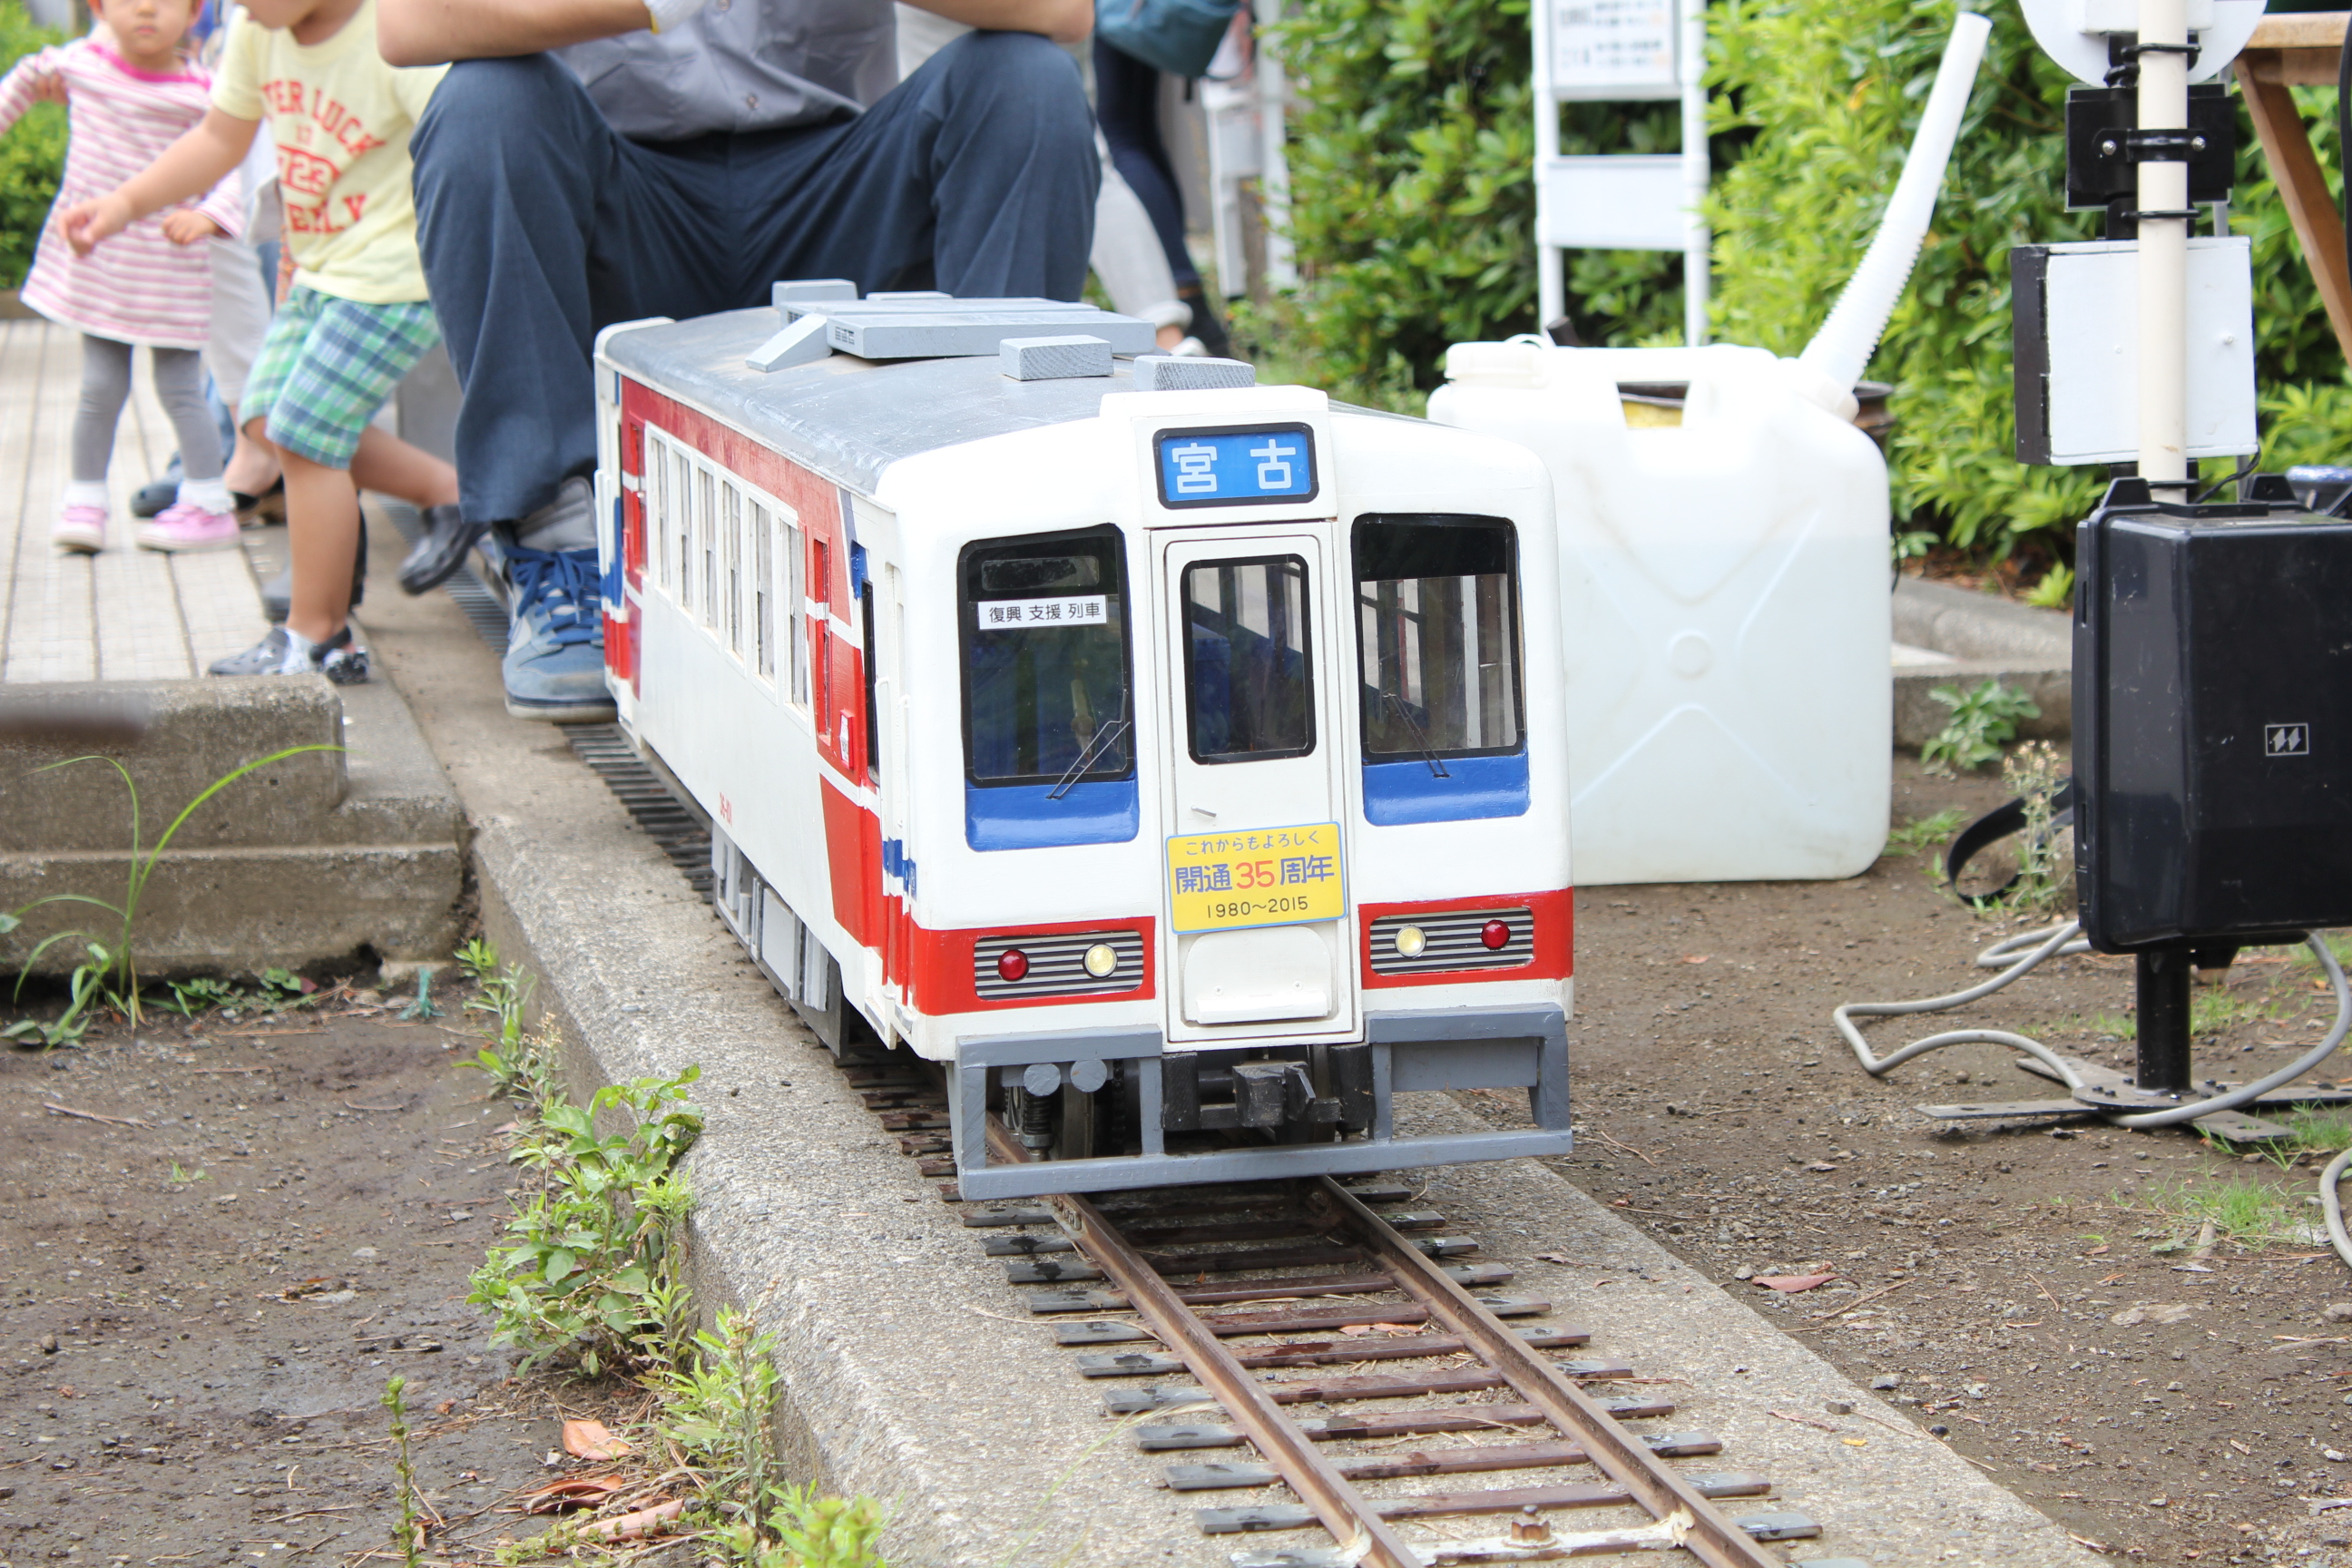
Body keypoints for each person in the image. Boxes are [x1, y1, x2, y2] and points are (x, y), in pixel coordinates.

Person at [377, 0, 1101, 723]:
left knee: (1026, 80)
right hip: (619, 201)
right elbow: (407, 26)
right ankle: (559, 550)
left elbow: (1061, 11)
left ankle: (1000, 541)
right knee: (483, 102)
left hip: (835, 192)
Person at [60, 0, 464, 682]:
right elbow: (220, 139)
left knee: (306, 436)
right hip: (320, 267)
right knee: (263, 417)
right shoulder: (258, 29)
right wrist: (125, 204)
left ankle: (313, 637)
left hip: (395, 277)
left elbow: (464, 148)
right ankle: (453, 492)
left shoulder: (395, 30)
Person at [0, 0, 246, 556]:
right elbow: (22, 80)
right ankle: (85, 500)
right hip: (103, 258)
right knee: (99, 385)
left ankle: (209, 501)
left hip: (170, 264)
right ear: (99, 7)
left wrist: (212, 215)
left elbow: (237, 157)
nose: (144, 9)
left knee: (181, 387)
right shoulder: (81, 65)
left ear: (192, 13)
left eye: (165, 1)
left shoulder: (204, 94)